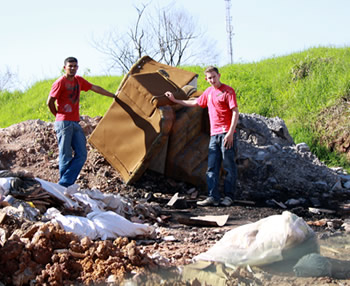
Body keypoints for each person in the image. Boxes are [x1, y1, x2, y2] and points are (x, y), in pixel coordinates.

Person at [165, 66, 239, 207]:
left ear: (219, 75)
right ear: (206, 79)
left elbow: (235, 112)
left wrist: (230, 133)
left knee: (229, 167)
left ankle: (229, 197)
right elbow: (194, 103)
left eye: (214, 77)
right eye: (209, 78)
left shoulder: (228, 91)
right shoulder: (208, 92)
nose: (212, 80)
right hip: (214, 135)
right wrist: (175, 100)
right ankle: (213, 197)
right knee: (212, 167)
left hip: (226, 134)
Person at [47, 57, 117, 187]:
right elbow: (49, 102)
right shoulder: (60, 82)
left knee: (82, 154)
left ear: (77, 67)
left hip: (75, 122)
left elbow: (95, 88)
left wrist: (113, 95)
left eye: (75, 66)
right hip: (64, 122)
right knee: (65, 154)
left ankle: (64, 183)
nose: (73, 68)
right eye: (70, 66)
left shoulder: (79, 81)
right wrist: (58, 116)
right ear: (64, 68)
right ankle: (64, 186)